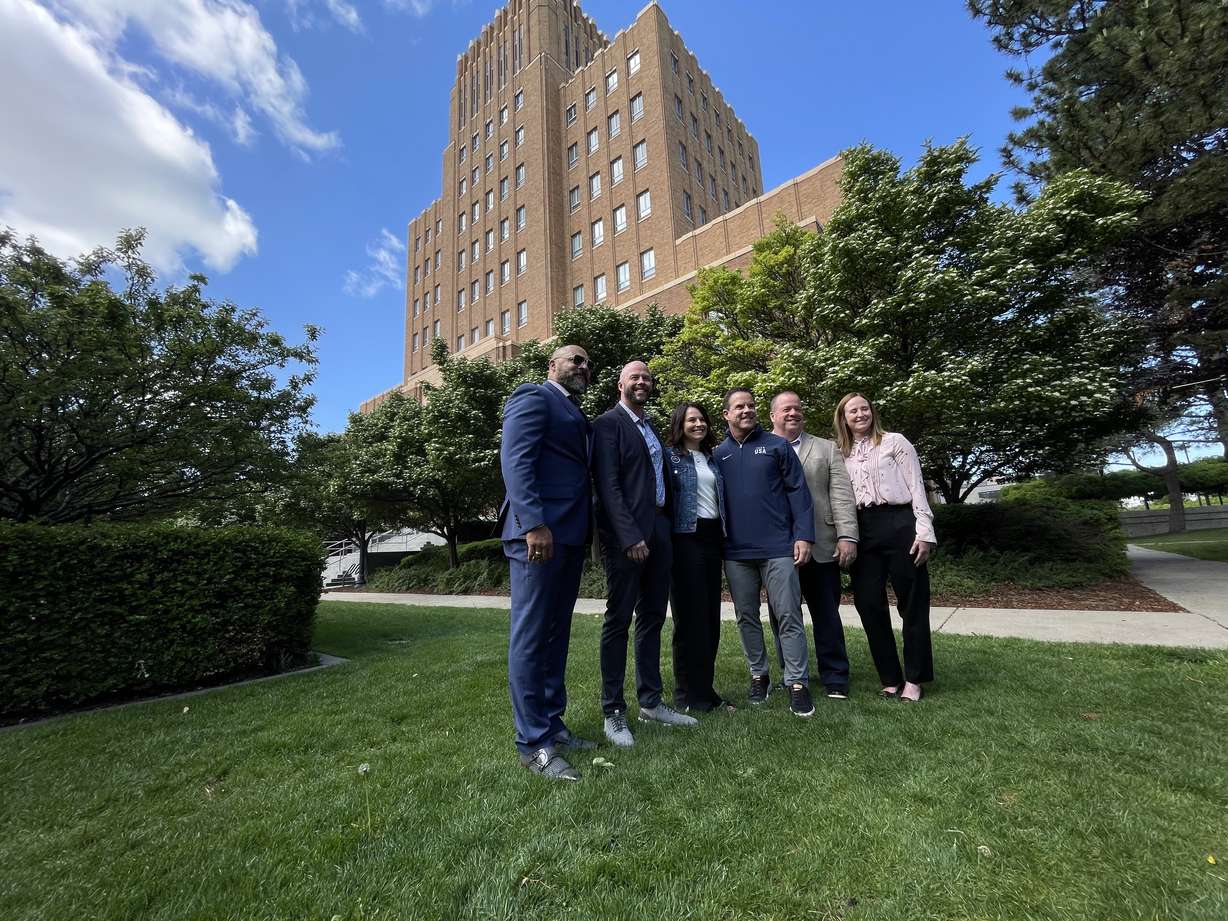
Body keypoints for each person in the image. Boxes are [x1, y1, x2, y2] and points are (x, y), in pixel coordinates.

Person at [500, 344, 596, 781]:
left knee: (556, 637)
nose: (583, 366)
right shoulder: (533, 396)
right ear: (551, 366)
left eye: (587, 363)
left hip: (570, 535)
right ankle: (533, 743)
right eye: (575, 359)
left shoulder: (574, 412)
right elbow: (515, 460)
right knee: (532, 636)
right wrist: (532, 523)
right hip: (537, 537)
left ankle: (553, 726)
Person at [592, 361, 696, 747]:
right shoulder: (608, 425)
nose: (642, 381)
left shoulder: (651, 427)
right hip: (628, 538)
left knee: (652, 618)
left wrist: (664, 528)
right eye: (634, 376)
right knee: (618, 620)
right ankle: (613, 711)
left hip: (659, 532)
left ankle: (651, 702)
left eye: (646, 377)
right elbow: (608, 484)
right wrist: (628, 535)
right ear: (620, 383)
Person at [715, 387, 818, 717]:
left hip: (778, 549)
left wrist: (803, 536)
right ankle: (758, 675)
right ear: (726, 415)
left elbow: (799, 494)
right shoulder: (717, 454)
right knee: (746, 618)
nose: (746, 410)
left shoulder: (778, 446)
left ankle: (797, 683)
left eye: (750, 405)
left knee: (788, 615)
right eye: (739, 407)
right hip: (735, 553)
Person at [834, 392, 936, 702]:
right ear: (844, 418)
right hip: (862, 528)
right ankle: (890, 677)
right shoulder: (840, 452)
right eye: (853, 411)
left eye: (865, 408)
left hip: (900, 524)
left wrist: (925, 532)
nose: (860, 414)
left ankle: (915, 679)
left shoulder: (895, 442)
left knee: (913, 603)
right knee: (868, 604)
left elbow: (918, 487)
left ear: (872, 412)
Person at [765, 391, 859, 700]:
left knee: (827, 614)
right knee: (782, 615)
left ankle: (835, 675)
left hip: (821, 546)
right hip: (777, 549)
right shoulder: (760, 448)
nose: (793, 413)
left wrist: (847, 535)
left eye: (797, 409)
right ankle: (792, 673)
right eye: (786, 409)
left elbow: (842, 496)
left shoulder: (826, 448)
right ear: (773, 416)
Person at [665, 402, 734, 713]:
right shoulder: (670, 458)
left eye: (702, 419)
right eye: (691, 419)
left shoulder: (712, 458)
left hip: (711, 540)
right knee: (689, 621)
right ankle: (686, 695)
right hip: (685, 540)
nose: (698, 424)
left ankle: (705, 691)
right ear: (680, 424)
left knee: (710, 621)